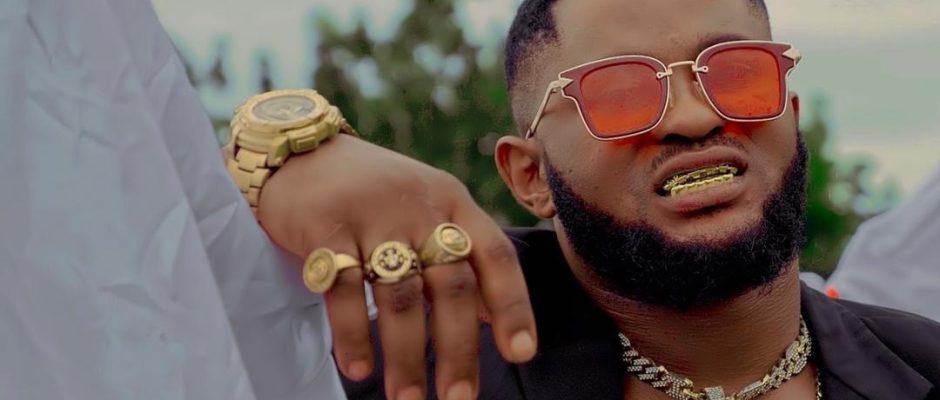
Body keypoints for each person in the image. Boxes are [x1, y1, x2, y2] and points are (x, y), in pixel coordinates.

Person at [250, 0, 940, 398]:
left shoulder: (919, 368)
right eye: (621, 91)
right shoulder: (420, 374)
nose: (694, 117)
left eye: (737, 74)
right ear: (530, 176)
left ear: (789, 112)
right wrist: (266, 165)